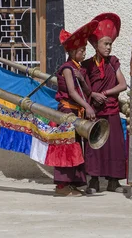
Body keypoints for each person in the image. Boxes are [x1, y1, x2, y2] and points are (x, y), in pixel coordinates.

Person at [81, 13, 127, 194]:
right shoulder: (86, 65)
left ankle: (114, 182)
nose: (108, 48)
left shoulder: (113, 62)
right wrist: (93, 94)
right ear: (94, 45)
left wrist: (106, 92)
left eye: (110, 44)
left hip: (111, 109)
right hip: (95, 112)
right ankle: (93, 181)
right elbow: (83, 89)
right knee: (94, 146)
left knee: (114, 146)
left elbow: (122, 84)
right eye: (105, 44)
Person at [53, 20, 98, 197]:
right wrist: (87, 106)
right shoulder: (66, 68)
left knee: (76, 147)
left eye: (84, 50)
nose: (84, 53)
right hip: (67, 112)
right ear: (72, 52)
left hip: (76, 113)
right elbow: (71, 92)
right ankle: (62, 187)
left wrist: (81, 78)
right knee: (67, 147)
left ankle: (73, 184)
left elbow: (87, 90)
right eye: (81, 50)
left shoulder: (78, 69)